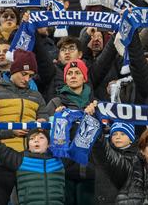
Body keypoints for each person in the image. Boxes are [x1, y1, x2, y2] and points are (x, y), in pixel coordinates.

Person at [0, 49, 48, 205]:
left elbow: (46, 122)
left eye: (31, 75)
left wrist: (42, 125)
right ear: (13, 69)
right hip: (0, 157)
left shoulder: (37, 96)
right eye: (24, 74)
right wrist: (10, 132)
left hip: (30, 158)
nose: (27, 79)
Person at [0, 127, 65, 205]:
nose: (36, 140)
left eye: (41, 138)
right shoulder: (20, 160)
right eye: (32, 138)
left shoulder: (60, 161)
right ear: (28, 145)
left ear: (49, 145)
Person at [45, 59, 95, 205]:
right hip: (63, 170)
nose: (73, 76)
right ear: (65, 78)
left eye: (77, 73)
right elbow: (42, 131)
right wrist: (54, 119)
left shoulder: (95, 104)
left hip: (90, 169)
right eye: (70, 73)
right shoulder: (56, 103)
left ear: (84, 77)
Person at [93, 122, 137, 205]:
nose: (118, 137)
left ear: (131, 138)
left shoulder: (139, 156)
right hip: (102, 200)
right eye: (114, 134)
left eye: (123, 134)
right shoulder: (103, 153)